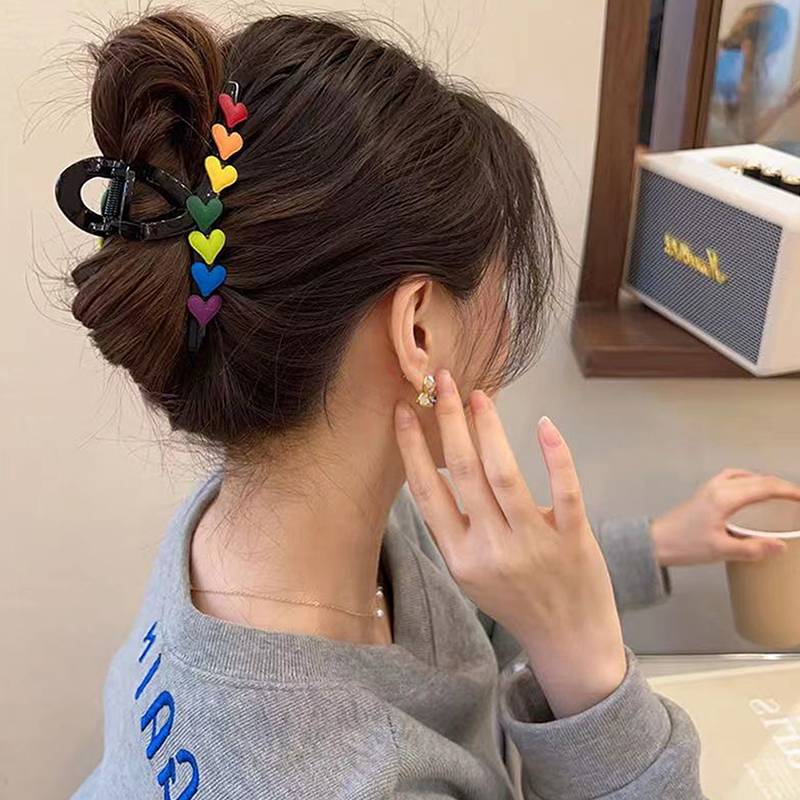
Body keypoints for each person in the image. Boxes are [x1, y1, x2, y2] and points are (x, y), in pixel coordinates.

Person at [59, 10, 800, 800]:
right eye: (499, 286)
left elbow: (461, 609)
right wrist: (588, 669)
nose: (506, 326)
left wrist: (654, 546)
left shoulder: (260, 524)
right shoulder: (344, 779)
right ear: (418, 330)